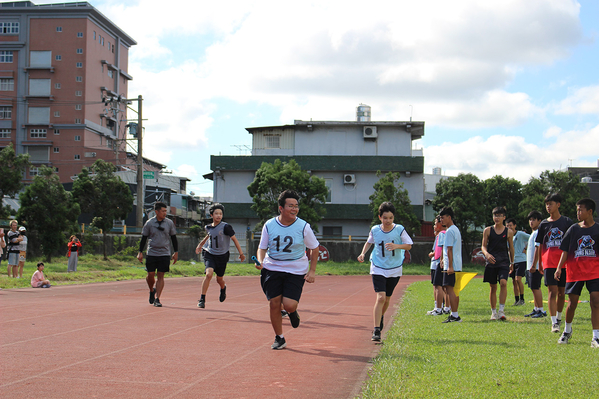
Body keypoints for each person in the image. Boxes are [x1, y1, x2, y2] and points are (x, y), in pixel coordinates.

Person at [255, 190, 319, 350]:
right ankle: (279, 337)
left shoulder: (303, 226)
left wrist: (312, 271)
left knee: (289, 305)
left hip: (296, 269)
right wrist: (260, 261)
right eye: (290, 206)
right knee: (274, 304)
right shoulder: (269, 225)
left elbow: (315, 248)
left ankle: (292, 312)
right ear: (281, 208)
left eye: (296, 206)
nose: (294, 209)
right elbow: (261, 248)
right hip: (272, 267)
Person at [358, 202, 413, 341]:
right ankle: (376, 330)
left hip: (394, 268)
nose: (388, 221)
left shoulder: (399, 229)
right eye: (385, 218)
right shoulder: (375, 230)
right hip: (378, 266)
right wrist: (363, 253)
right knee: (381, 297)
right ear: (380, 217)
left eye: (391, 218)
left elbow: (409, 245)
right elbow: (369, 242)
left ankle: (380, 316)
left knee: (387, 299)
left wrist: (396, 246)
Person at [554, 198, 599, 347]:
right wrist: (559, 267)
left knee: (596, 302)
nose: (578, 213)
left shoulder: (597, 229)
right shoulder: (573, 229)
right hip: (575, 272)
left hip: (594, 272)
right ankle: (567, 331)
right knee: (572, 304)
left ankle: (596, 337)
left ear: (590, 212)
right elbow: (565, 250)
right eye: (577, 210)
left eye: (581, 210)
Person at [534, 193, 574, 333]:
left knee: (562, 293)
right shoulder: (544, 224)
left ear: (558, 204)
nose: (548, 207)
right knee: (552, 291)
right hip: (549, 263)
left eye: (550, 204)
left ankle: (559, 317)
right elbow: (539, 245)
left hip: (564, 263)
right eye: (546, 204)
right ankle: (554, 323)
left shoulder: (567, 222)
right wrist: (539, 263)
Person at [195, 203, 246, 308]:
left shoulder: (226, 227)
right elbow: (208, 236)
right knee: (209, 274)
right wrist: (200, 245)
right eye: (216, 213)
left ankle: (223, 288)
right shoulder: (208, 227)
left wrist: (241, 253)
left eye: (220, 214)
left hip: (222, 256)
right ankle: (202, 299)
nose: (218, 215)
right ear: (211, 215)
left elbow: (235, 240)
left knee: (219, 279)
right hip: (210, 253)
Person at [137, 202, 178, 308]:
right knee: (150, 275)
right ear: (156, 212)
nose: (165, 213)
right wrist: (140, 252)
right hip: (151, 253)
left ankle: (157, 298)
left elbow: (173, 237)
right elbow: (144, 238)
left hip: (164, 253)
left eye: (166, 211)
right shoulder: (149, 223)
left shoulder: (169, 223)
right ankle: (151, 290)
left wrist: (176, 252)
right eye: (163, 211)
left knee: (161, 275)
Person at [481, 207, 515, 321]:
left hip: (504, 262)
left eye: (499, 216)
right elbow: (483, 246)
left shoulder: (509, 232)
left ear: (504, 217)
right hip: (491, 262)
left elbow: (511, 248)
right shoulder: (488, 230)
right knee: (493, 287)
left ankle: (501, 311)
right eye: (495, 215)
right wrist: (487, 254)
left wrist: (512, 262)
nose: (497, 218)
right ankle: (494, 312)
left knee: (503, 283)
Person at [439, 207, 463, 323]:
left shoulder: (449, 231)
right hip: (456, 264)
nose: (441, 220)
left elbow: (449, 249)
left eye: (443, 218)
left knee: (450, 290)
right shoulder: (455, 229)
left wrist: (449, 266)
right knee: (453, 290)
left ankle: (454, 315)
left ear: (449, 217)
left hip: (452, 265)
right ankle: (455, 314)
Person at [524, 211, 547, 318]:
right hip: (530, 265)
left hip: (536, 266)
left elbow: (538, 249)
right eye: (530, 220)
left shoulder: (538, 232)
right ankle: (536, 308)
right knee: (533, 287)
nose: (531, 222)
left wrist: (534, 265)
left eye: (534, 219)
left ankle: (541, 310)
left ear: (539, 221)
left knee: (536, 287)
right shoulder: (533, 233)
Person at [506, 218, 529, 306]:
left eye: (510, 225)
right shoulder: (507, 235)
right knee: (513, 281)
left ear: (515, 226)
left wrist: (526, 248)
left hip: (521, 260)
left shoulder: (520, 234)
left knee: (518, 279)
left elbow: (531, 238)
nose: (509, 227)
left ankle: (522, 299)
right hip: (512, 261)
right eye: (507, 226)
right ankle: (516, 300)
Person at [426, 215, 446, 316]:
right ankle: (440, 307)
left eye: (435, 223)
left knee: (439, 286)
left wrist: (434, 255)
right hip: (438, 262)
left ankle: (439, 308)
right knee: (438, 286)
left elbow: (440, 250)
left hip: (438, 263)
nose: (434, 226)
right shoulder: (440, 235)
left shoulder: (442, 234)